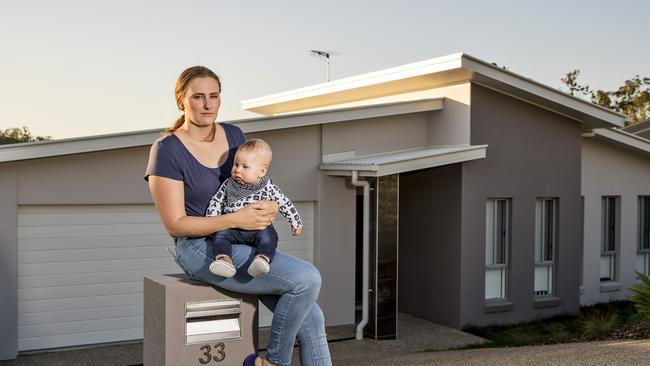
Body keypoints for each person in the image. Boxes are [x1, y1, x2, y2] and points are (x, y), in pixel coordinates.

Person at [145, 65, 331, 366]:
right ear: (181, 100)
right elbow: (175, 224)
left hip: (245, 241)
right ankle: (274, 362)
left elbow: (253, 182)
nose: (208, 104)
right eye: (198, 97)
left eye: (214, 96)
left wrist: (268, 206)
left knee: (313, 318)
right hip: (200, 247)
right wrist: (235, 220)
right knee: (307, 278)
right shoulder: (166, 150)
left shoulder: (233, 134)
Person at [206, 138, 303, 278]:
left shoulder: (268, 187)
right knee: (220, 235)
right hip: (232, 228)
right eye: (236, 164)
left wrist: (296, 223)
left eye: (245, 167)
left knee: (269, 237)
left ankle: (262, 259)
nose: (237, 170)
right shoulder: (228, 184)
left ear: (261, 171)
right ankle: (223, 260)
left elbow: (284, 203)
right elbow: (216, 200)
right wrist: (212, 221)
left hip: (259, 229)